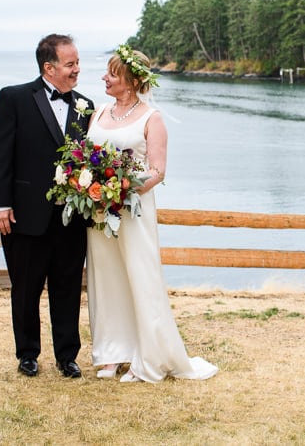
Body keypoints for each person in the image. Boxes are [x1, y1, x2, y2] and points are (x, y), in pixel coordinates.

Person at [86, 44, 218, 383]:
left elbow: (157, 171)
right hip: (100, 212)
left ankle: (147, 356)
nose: (104, 77)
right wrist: (93, 190)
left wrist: (122, 190)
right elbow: (87, 158)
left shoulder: (151, 118)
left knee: (139, 276)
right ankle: (111, 352)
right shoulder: (98, 112)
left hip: (134, 211)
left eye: (111, 73)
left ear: (129, 81)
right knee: (105, 277)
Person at [0, 34, 93, 379]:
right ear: (49, 67)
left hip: (71, 218)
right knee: (26, 288)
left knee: (66, 289)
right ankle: (28, 354)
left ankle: (67, 356)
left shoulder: (86, 106)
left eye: (77, 62)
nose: (77, 69)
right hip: (23, 215)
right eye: (70, 63)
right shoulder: (13, 98)